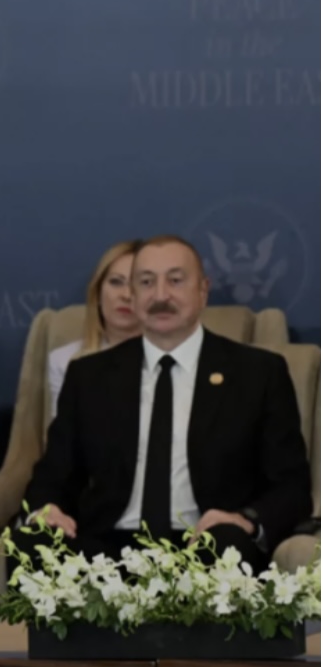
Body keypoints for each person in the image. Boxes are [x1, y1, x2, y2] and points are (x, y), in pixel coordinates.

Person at [18, 235, 312, 574]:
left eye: (175, 280)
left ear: (203, 290)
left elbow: (291, 487)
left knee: (228, 546)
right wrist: (47, 508)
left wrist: (244, 520)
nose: (160, 296)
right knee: (31, 545)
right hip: (105, 549)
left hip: (206, 543)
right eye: (146, 282)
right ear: (133, 294)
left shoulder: (258, 373)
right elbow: (53, 474)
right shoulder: (89, 376)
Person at [47, 239, 142, 417]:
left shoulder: (172, 360)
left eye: (139, 284)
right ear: (97, 293)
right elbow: (62, 432)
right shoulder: (64, 361)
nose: (126, 295)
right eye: (116, 282)